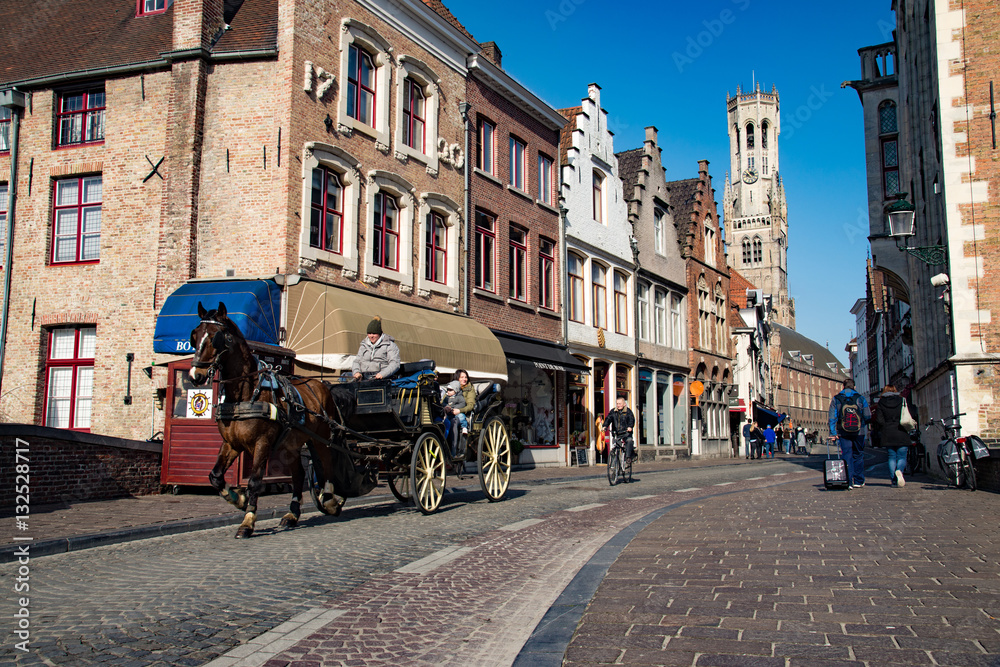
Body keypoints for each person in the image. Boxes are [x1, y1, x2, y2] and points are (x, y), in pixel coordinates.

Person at [828, 378, 872, 489]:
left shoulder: (836, 399)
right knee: (858, 454)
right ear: (854, 387)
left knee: (846, 455)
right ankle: (859, 480)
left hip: (843, 431)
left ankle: (848, 481)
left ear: (843, 386)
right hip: (859, 432)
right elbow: (868, 415)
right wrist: (862, 424)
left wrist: (833, 433)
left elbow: (832, 417)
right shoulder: (861, 398)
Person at [871, 384, 914, 487]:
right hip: (901, 430)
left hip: (888, 432)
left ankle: (894, 481)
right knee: (902, 456)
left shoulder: (881, 402)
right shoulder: (902, 400)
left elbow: (879, 419)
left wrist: (885, 426)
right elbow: (910, 413)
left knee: (891, 457)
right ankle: (899, 470)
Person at [352, 316, 401, 380]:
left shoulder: (389, 345)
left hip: (381, 379)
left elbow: (395, 363)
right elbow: (357, 361)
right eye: (369, 333)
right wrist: (356, 372)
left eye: (374, 333)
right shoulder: (363, 346)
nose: (371, 336)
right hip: (364, 378)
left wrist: (383, 374)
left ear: (380, 334)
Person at [607, 396, 636, 461]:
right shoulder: (613, 411)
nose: (618, 405)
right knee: (616, 445)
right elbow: (608, 418)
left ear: (624, 404)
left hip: (626, 433)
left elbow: (631, 420)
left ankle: (628, 457)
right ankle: (616, 464)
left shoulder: (628, 412)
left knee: (629, 441)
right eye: (617, 404)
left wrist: (630, 427)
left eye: (620, 404)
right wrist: (605, 426)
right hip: (617, 433)